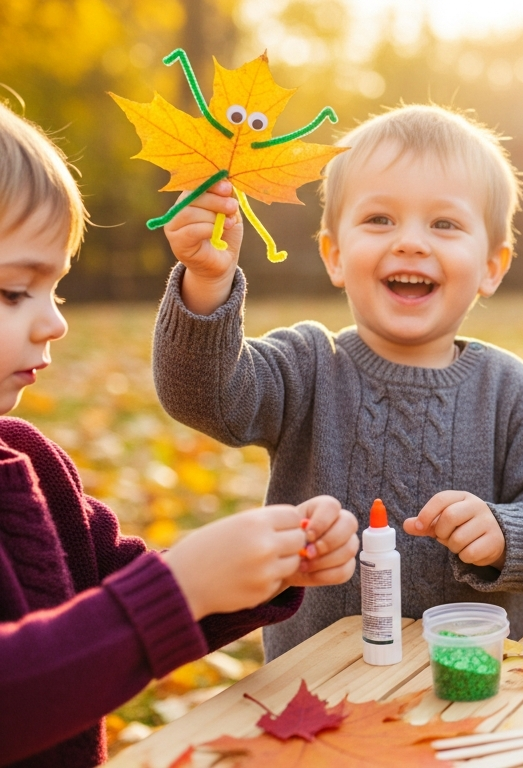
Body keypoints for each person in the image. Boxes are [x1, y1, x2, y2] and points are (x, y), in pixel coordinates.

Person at [151, 104, 523, 660]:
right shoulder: (309, 364)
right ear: (335, 255)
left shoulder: (506, 389)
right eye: (380, 220)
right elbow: (204, 396)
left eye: (445, 224)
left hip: (464, 681)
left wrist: (508, 532)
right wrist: (207, 284)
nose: (410, 242)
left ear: (491, 265)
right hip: (318, 685)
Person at [0, 101, 360, 767]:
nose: (54, 323)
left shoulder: (31, 463)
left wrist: (268, 568)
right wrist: (180, 587)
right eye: (14, 292)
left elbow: (115, 603)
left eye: (58, 291)